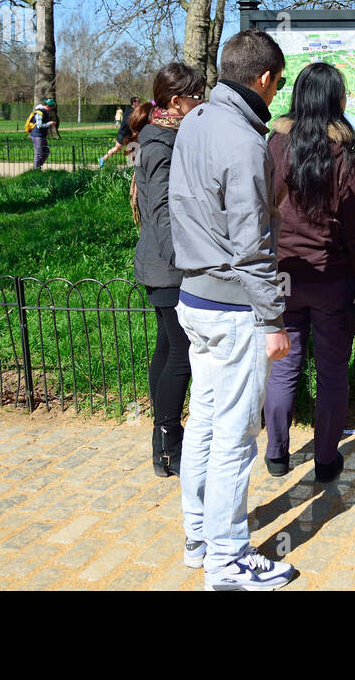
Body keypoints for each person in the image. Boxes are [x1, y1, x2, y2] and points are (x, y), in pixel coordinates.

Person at [169, 27, 297, 590]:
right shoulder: (245, 141)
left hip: (193, 296)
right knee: (234, 437)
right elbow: (253, 244)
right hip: (232, 308)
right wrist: (272, 319)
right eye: (278, 84)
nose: (277, 95)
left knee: (202, 422)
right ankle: (227, 559)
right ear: (264, 79)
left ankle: (198, 536)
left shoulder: (194, 121)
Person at [263, 62, 355, 483]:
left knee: (284, 367)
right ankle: (326, 460)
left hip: (283, 276)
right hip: (331, 280)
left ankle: (276, 455)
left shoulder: (274, 147)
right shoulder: (344, 157)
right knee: (332, 373)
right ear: (335, 101)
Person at [131, 63, 207, 478]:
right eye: (196, 96)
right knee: (180, 355)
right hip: (169, 268)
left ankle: (163, 442)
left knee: (166, 350)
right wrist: (186, 262)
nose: (202, 102)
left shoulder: (162, 136)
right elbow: (160, 211)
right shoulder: (161, 143)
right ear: (177, 102)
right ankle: (167, 445)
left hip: (161, 265)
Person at [99, 97, 141, 168]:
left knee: (134, 147)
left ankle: (133, 164)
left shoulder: (131, 110)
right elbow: (129, 123)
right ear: (134, 103)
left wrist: (154, 102)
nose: (140, 103)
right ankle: (102, 159)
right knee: (118, 148)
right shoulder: (131, 111)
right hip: (124, 134)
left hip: (126, 134)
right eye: (138, 102)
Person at [29, 97, 59, 169]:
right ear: (48, 106)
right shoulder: (39, 113)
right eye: (51, 108)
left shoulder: (45, 112)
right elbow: (39, 126)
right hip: (37, 135)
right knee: (38, 153)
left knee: (46, 152)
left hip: (41, 135)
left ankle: (38, 166)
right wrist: (49, 123)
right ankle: (35, 169)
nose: (51, 110)